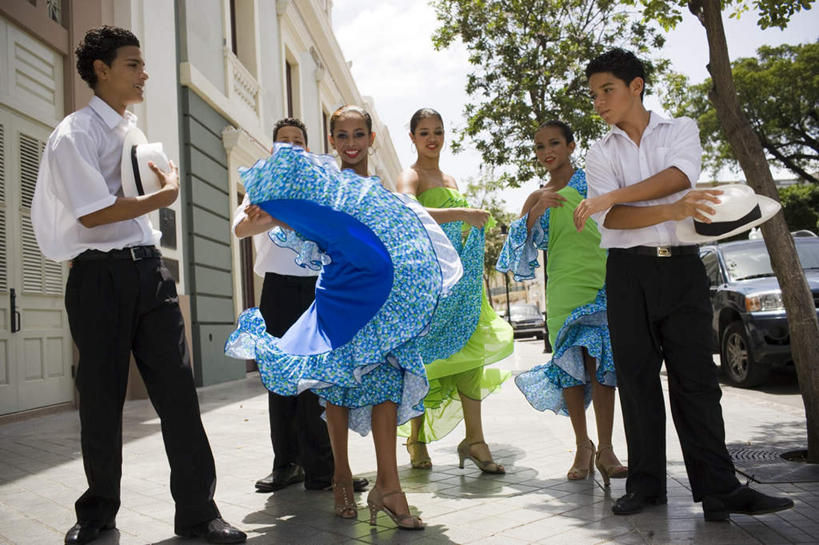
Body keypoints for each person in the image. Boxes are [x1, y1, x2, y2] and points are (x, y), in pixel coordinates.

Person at [30, 26, 245, 544]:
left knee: (178, 397)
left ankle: (199, 513)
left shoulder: (132, 131)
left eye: (143, 64)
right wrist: (166, 194)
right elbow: (94, 215)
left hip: (150, 272)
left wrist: (156, 197)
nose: (144, 73)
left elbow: (129, 204)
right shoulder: (75, 134)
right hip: (98, 277)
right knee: (101, 400)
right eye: (133, 64)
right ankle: (97, 514)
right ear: (101, 70)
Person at [575, 47, 794, 521]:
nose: (599, 102)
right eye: (593, 95)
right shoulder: (599, 151)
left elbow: (679, 176)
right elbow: (613, 220)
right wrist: (671, 208)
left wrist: (617, 196)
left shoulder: (681, 130)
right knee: (636, 382)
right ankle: (646, 486)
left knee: (696, 381)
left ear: (635, 86)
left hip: (681, 269)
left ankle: (719, 490)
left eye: (606, 90)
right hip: (627, 273)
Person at [226, 105, 460, 530]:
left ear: (371, 139)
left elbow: (410, 228)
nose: (351, 143)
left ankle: (390, 487)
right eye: (342, 135)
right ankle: (338, 477)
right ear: (331, 141)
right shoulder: (318, 186)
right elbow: (244, 229)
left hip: (383, 292)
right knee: (336, 386)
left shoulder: (381, 189)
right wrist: (276, 212)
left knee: (388, 382)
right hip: (339, 291)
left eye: (358, 134)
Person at [232, 118, 368, 495]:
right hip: (277, 291)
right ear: (272, 149)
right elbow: (241, 229)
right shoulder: (260, 186)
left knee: (319, 383)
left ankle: (327, 469)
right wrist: (276, 214)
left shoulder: (320, 187)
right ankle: (286, 465)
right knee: (280, 381)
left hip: (318, 289)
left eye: (298, 141)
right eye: (283, 141)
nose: (291, 146)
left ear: (308, 149)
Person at [496, 120, 627, 485]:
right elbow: (514, 251)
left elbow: (619, 216)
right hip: (563, 291)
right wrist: (536, 212)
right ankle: (581, 447)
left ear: (571, 145)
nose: (546, 151)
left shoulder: (593, 180)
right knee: (571, 370)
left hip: (600, 282)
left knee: (602, 366)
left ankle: (607, 448)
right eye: (539, 147)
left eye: (554, 143)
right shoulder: (537, 196)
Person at [396, 108, 512, 473]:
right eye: (424, 132)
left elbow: (452, 229)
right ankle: (416, 438)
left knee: (471, 352)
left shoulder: (450, 178)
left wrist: (468, 229)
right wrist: (462, 213)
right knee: (426, 355)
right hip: (430, 279)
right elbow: (409, 211)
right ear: (412, 137)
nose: (432, 139)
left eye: (438, 132)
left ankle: (475, 440)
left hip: (463, 281)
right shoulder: (410, 175)